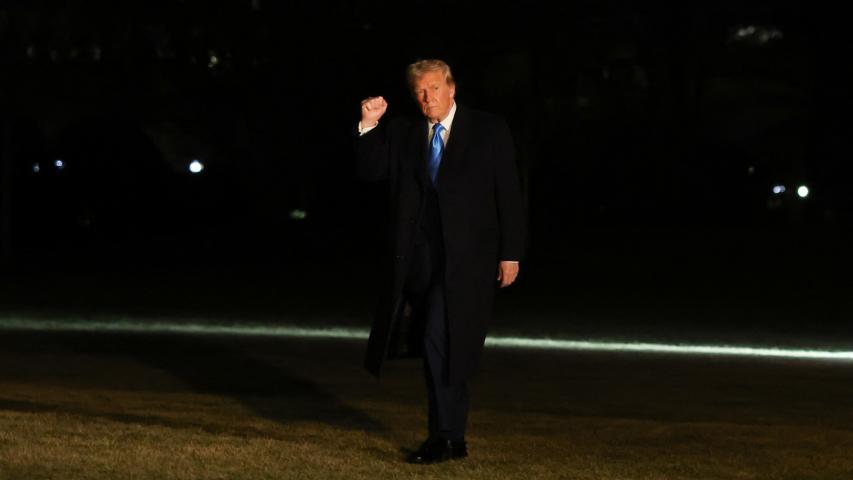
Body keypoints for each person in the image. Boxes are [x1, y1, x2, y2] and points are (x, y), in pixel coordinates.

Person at [355, 59, 525, 464]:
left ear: (451, 88)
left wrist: (511, 252)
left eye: (433, 88)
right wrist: (368, 125)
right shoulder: (403, 131)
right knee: (438, 346)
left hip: (468, 262)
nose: (426, 97)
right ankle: (450, 437)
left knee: (441, 342)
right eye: (418, 91)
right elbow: (369, 171)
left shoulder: (487, 129)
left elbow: (510, 193)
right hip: (420, 263)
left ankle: (446, 437)